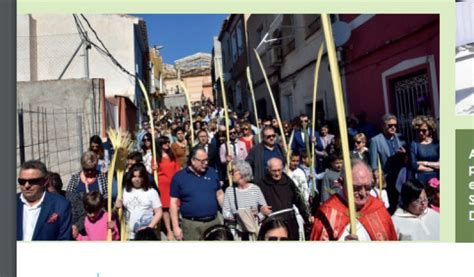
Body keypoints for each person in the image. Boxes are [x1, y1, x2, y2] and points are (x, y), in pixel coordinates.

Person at [310, 160, 397, 241]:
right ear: (341, 183)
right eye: (356, 188)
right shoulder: (328, 213)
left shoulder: (378, 209)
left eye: (368, 187)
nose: (363, 193)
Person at [170, 146, 224, 240]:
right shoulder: (179, 177)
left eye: (207, 160)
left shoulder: (212, 172)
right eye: (202, 161)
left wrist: (227, 213)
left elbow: (219, 194)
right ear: (193, 160)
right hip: (192, 226)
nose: (206, 163)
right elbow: (173, 203)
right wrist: (175, 227)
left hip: (213, 222)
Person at [17, 160, 72, 241]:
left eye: (32, 181)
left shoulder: (61, 205)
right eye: (22, 181)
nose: (26, 185)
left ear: (45, 181)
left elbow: (64, 241)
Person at [257, 158, 310, 240]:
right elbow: (254, 203)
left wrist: (307, 217)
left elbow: (299, 201)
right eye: (274, 171)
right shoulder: (261, 184)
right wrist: (261, 209)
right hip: (273, 225)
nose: (277, 173)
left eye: (279, 170)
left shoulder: (288, 182)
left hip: (290, 223)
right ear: (268, 169)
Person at [222, 160, 271, 240]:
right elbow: (226, 213)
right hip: (238, 235)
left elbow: (265, 210)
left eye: (233, 171)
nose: (231, 174)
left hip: (255, 233)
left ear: (242, 173)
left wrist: (258, 217)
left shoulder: (255, 189)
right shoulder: (229, 190)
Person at [369, 114, 406, 214]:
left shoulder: (400, 137)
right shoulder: (375, 140)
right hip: (386, 177)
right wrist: (377, 176)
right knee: (389, 203)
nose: (393, 127)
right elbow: (373, 163)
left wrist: (404, 154)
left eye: (395, 125)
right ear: (383, 126)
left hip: (401, 175)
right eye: (390, 125)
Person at [115, 163, 163, 240]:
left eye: (140, 177)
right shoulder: (123, 191)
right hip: (128, 236)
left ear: (144, 177)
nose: (137, 179)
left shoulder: (151, 192)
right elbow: (116, 211)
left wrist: (149, 228)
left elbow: (159, 212)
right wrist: (116, 207)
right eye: (134, 176)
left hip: (146, 236)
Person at [66, 151, 108, 238]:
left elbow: (106, 197)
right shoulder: (75, 179)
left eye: (92, 170)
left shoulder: (101, 178)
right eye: (86, 170)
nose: (89, 172)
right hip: (78, 221)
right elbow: (69, 199)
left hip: (97, 219)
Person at [156, 135, 181, 241]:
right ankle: (168, 230)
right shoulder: (156, 157)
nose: (167, 144)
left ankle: (176, 226)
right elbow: (154, 172)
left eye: (168, 142)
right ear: (160, 144)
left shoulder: (172, 155)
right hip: (163, 186)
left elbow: (177, 168)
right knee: (165, 208)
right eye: (164, 142)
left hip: (174, 184)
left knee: (175, 206)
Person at [409, 115, 440, 185]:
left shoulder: (437, 144)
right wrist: (434, 168)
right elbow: (414, 165)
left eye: (424, 130)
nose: (421, 133)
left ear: (430, 129)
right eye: (418, 130)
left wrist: (424, 163)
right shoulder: (414, 144)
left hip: (437, 179)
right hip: (421, 180)